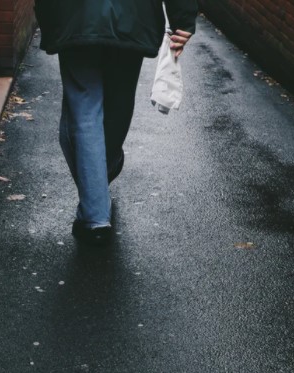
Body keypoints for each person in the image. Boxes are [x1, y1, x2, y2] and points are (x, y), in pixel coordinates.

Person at [35, 1, 199, 245]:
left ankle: (95, 210)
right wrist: (182, 18)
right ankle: (103, 176)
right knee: (118, 104)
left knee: (83, 108)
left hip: (75, 14)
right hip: (132, 15)